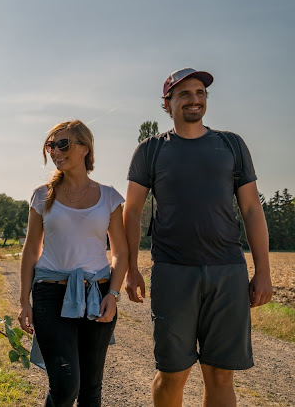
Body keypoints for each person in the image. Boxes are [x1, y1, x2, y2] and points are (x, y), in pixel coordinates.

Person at [123, 68, 273, 407]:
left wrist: (262, 271)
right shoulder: (151, 150)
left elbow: (251, 209)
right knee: (173, 373)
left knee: (221, 373)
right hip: (174, 271)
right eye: (186, 94)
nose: (195, 99)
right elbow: (131, 211)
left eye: (201, 93)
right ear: (168, 103)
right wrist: (131, 268)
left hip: (227, 270)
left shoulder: (231, 144)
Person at [18, 119, 128, 406]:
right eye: (50, 146)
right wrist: (23, 301)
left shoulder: (109, 197)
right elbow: (31, 250)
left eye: (62, 144)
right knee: (66, 386)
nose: (55, 151)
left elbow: (121, 252)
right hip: (50, 296)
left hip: (97, 294)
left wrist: (113, 295)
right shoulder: (42, 196)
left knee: (91, 389)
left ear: (84, 148)